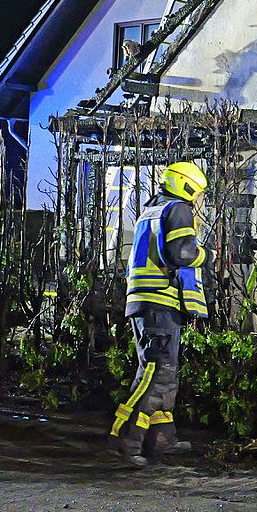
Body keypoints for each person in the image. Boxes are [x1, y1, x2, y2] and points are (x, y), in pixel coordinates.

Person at [107, 161, 209, 468]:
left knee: (163, 371)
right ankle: (124, 437)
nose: (198, 200)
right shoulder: (178, 209)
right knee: (158, 371)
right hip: (160, 299)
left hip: (146, 300)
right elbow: (181, 253)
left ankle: (161, 437)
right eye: (198, 193)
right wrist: (207, 255)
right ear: (186, 187)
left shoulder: (153, 209)